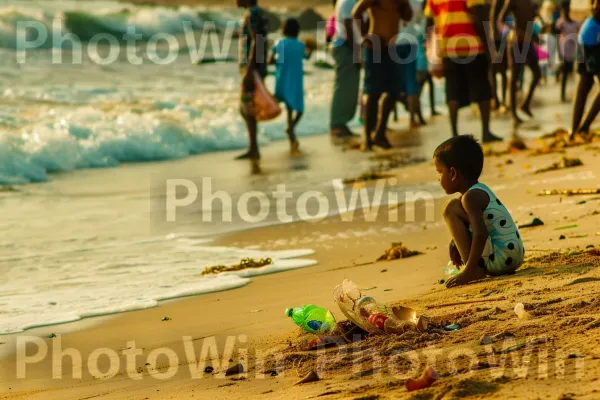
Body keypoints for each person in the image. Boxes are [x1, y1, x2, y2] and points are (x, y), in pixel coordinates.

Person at [434, 135, 524, 288]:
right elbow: (480, 224)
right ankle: (474, 267)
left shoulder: (470, 198)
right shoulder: (479, 191)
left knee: (449, 208)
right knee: (454, 206)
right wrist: (454, 243)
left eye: (439, 172)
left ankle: (474, 269)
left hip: (502, 258)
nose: (438, 178)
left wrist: (468, 271)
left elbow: (481, 233)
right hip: (513, 256)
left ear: (453, 173)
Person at [425, 0, 501, 143]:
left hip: (448, 47)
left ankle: (454, 134)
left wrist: (431, 51)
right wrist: (488, 46)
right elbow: (477, 17)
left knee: (452, 92)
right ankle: (486, 133)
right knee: (482, 90)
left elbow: (429, 24)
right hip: (472, 44)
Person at [352, 0, 413, 150]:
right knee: (373, 92)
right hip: (375, 46)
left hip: (391, 47)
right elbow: (356, 12)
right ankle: (367, 136)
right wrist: (364, 36)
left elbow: (407, 17)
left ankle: (380, 132)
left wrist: (405, 3)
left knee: (394, 91)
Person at [493, 0, 541, 126]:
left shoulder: (529, 2)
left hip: (528, 41)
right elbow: (501, 19)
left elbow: (532, 18)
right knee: (514, 78)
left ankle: (525, 104)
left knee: (537, 74)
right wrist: (517, 31)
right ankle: (513, 113)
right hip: (516, 42)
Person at [269, 19, 311, 156]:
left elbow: (270, 60)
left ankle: (291, 134)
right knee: (299, 109)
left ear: (283, 30)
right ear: (298, 31)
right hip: (295, 81)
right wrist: (312, 48)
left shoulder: (279, 43)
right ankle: (291, 130)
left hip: (282, 79)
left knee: (288, 107)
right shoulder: (300, 45)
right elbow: (306, 57)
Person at [236, 0, 269, 160]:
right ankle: (253, 147)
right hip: (256, 66)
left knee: (246, 107)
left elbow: (258, 40)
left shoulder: (252, 13)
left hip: (253, 68)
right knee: (248, 107)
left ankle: (253, 148)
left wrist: (249, 69)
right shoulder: (256, 12)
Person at [330, 0, 362, 141]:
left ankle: (340, 123)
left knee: (348, 87)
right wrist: (356, 53)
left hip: (346, 46)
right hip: (345, 47)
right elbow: (348, 26)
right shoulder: (348, 2)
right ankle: (337, 124)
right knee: (344, 88)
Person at [571, 0, 600, 140]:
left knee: (583, 88)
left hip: (588, 45)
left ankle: (577, 129)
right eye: (596, 3)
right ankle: (580, 128)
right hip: (589, 47)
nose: (597, 6)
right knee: (583, 87)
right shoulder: (592, 24)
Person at [555, 1, 580, 103]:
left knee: (571, 72)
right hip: (564, 50)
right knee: (565, 73)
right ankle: (562, 95)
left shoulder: (575, 23)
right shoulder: (560, 23)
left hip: (573, 50)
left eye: (566, 8)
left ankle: (574, 95)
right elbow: (556, 36)